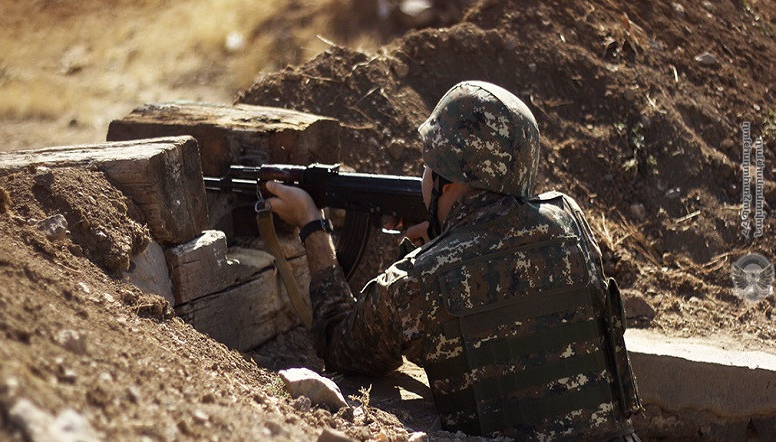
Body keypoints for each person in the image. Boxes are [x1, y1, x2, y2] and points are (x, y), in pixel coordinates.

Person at [265, 81, 642, 440]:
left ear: (445, 179)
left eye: (427, 165)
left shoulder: (419, 280)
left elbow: (338, 342)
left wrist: (311, 224)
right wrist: (443, 243)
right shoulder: (571, 220)